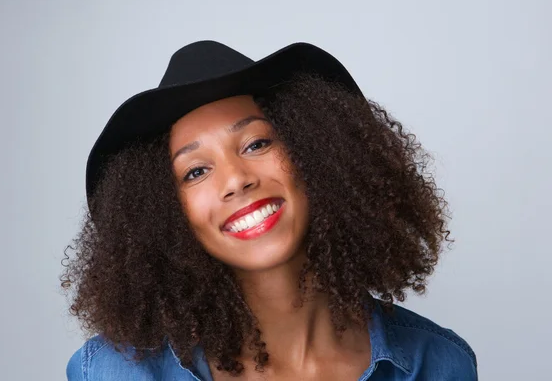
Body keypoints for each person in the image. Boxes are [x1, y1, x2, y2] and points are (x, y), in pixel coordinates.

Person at [62, 40, 478, 380]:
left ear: (317, 153)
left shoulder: (436, 366)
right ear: (166, 214)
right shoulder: (109, 372)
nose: (235, 179)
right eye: (195, 171)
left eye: (257, 144)